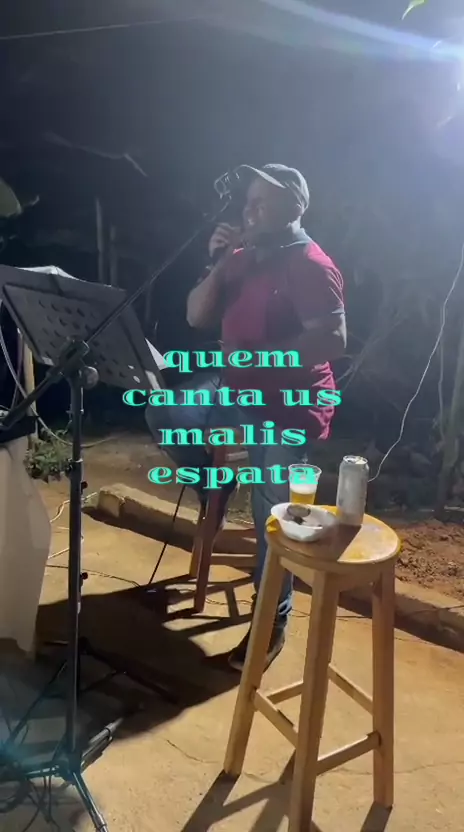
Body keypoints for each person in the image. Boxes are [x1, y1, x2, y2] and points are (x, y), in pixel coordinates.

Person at [146, 164, 346, 671]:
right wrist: (218, 263)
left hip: (288, 402)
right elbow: (195, 315)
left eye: (263, 201)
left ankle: (270, 622)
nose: (249, 209)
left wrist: (261, 359)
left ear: (295, 208)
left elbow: (332, 340)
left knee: (271, 513)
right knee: (165, 410)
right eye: (249, 199)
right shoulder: (241, 257)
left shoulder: (311, 264)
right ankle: (213, 486)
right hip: (234, 385)